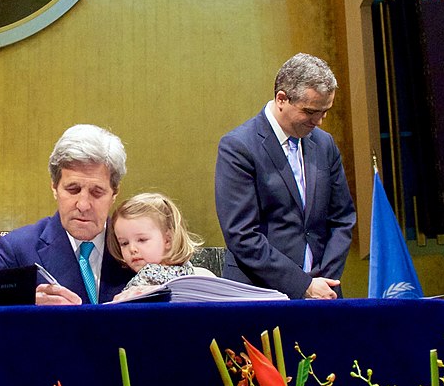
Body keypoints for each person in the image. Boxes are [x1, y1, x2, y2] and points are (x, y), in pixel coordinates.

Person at [0, 124, 134, 338]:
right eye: (72, 190)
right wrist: (21, 302)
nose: (83, 204)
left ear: (114, 193)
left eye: (97, 192)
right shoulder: (20, 248)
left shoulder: (138, 244)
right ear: (54, 188)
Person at [215, 53, 356, 300]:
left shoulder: (325, 144)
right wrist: (303, 285)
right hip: (260, 294)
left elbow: (342, 219)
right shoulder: (238, 147)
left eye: (325, 111)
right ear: (282, 98)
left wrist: (324, 282)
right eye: (311, 112)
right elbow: (242, 234)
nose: (320, 121)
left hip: (324, 295)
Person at [107, 192, 213, 301]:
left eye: (142, 240)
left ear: (168, 240)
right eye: (124, 243)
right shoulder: (134, 287)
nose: (132, 249)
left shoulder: (147, 276)